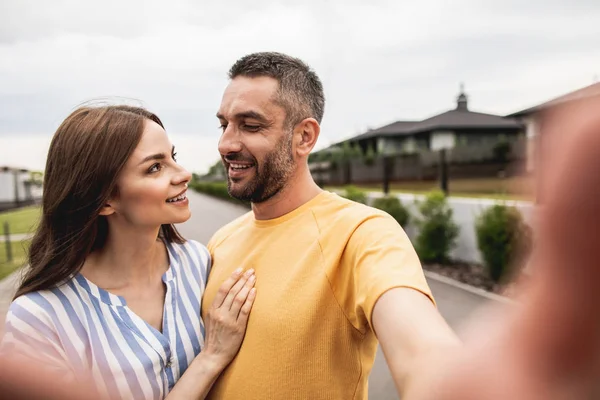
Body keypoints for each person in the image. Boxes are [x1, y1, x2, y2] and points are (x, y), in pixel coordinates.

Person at [201, 51, 459, 399]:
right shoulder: (221, 240)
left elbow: (424, 351)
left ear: (304, 137)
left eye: (250, 125)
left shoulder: (362, 232)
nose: (226, 144)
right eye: (224, 124)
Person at [0, 105, 257, 400]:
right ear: (104, 200)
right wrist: (211, 357)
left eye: (172, 158)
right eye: (155, 167)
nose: (184, 174)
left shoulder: (198, 263)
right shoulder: (40, 318)